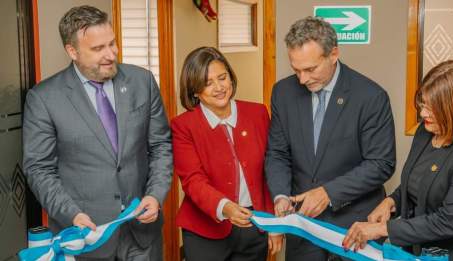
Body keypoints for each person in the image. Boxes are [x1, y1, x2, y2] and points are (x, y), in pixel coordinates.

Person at [22, 5, 172, 260]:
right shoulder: (44, 98)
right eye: (98, 48)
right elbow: (39, 169)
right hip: (86, 237)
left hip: (142, 234)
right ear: (72, 51)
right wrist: (72, 214)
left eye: (112, 44)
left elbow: (160, 146)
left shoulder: (142, 82)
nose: (111, 54)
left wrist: (156, 195)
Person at [342, 60, 453, 260]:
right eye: (423, 104)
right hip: (429, 253)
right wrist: (391, 202)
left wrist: (383, 229)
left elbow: (449, 220)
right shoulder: (425, 132)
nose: (423, 113)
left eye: (433, 108)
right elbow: (419, 184)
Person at [265, 16, 396, 260]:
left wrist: (327, 193)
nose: (302, 79)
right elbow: (277, 152)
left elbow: (381, 163)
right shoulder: (282, 92)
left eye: (310, 69)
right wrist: (281, 195)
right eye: (296, 70)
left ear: (333, 54)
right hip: (302, 225)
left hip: (354, 226)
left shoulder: (370, 96)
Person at [172, 47, 283, 261]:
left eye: (222, 78)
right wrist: (226, 207)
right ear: (195, 91)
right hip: (205, 230)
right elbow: (193, 180)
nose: (219, 87)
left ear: (230, 77)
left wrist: (274, 224)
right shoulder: (183, 126)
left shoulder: (258, 113)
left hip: (254, 224)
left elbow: (271, 169)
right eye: (207, 83)